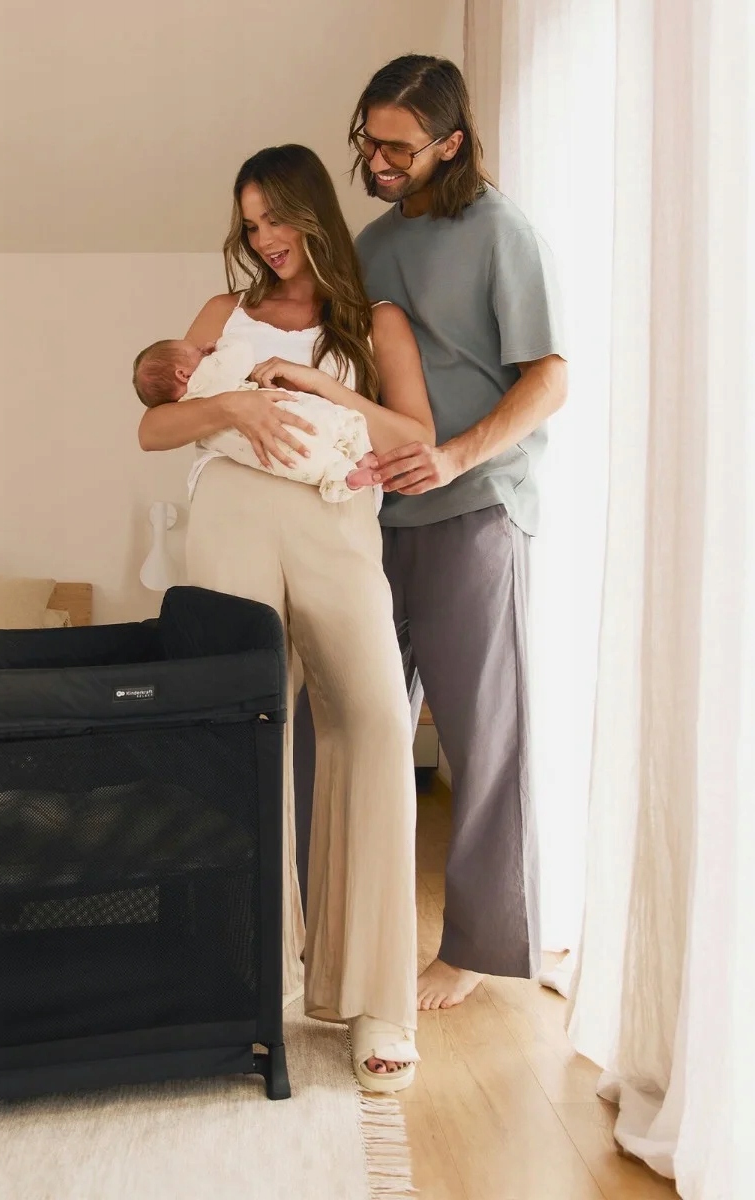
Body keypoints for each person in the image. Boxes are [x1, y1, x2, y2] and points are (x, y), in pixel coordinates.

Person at [137, 142, 436, 1091]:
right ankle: (248, 981)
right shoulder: (223, 313)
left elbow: (414, 436)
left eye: (276, 218)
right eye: (251, 223)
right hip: (231, 513)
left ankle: (374, 996)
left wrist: (321, 388)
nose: (265, 238)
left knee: (376, 723)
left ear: (313, 214)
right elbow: (153, 424)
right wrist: (234, 407)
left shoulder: (375, 320)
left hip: (338, 525)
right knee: (242, 734)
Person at [348, 54, 567, 1010]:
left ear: (451, 144)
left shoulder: (501, 232)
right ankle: (340, 929)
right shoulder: (368, 245)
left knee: (483, 740)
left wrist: (454, 458)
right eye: (369, 140)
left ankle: (478, 947)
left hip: (477, 510)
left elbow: (549, 377)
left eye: (398, 147)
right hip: (374, 519)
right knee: (354, 728)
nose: (378, 160)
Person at [131, 335, 380, 502]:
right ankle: (359, 452)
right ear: (183, 375)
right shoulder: (205, 377)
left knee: (310, 463)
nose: (202, 350)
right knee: (323, 421)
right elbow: (241, 353)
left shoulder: (191, 413)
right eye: (196, 351)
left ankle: (346, 477)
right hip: (282, 421)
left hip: (265, 456)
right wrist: (221, 345)